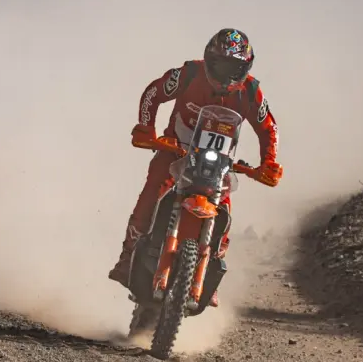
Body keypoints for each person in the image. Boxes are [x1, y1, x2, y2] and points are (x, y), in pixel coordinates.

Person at [108, 28, 283, 305]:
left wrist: (269, 162)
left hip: (218, 162)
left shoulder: (250, 90)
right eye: (221, 65)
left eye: (234, 67)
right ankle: (127, 256)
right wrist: (146, 127)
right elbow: (154, 93)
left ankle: (211, 274)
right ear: (209, 59)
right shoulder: (188, 74)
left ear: (246, 67)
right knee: (151, 193)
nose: (227, 74)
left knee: (224, 209)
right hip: (175, 149)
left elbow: (268, 128)